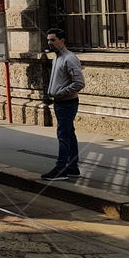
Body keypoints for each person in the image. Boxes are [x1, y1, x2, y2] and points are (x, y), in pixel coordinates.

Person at [42, 28, 85, 181]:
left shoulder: (69, 58)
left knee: (63, 135)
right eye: (48, 40)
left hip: (67, 103)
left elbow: (79, 83)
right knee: (69, 134)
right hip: (60, 102)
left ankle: (61, 169)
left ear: (62, 40)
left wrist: (60, 93)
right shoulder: (56, 58)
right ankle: (72, 167)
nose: (50, 43)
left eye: (53, 40)